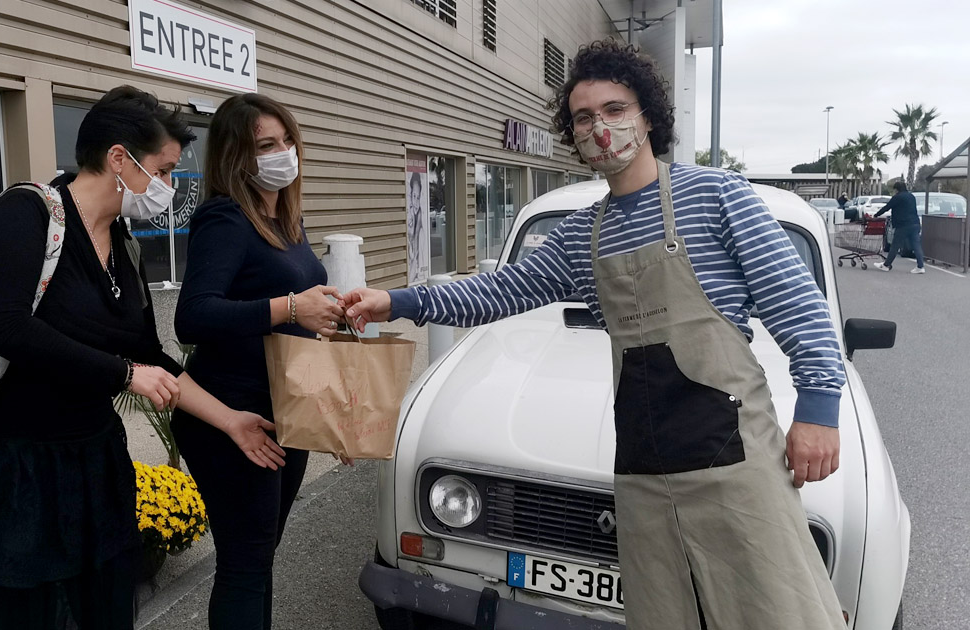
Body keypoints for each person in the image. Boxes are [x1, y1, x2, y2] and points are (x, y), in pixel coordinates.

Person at [343, 39, 847, 630]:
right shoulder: (581, 237)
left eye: (614, 109)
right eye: (584, 117)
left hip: (736, 466)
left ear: (648, 116)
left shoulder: (718, 198)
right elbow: (498, 291)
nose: (600, 127)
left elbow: (799, 305)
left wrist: (819, 407)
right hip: (641, 471)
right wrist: (395, 301)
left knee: (777, 612)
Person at [0, 85, 286, 630]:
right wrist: (123, 374)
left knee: (107, 612)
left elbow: (149, 354)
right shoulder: (25, 212)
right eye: (162, 170)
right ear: (119, 158)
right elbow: (7, 326)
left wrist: (231, 420)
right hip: (17, 471)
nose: (167, 187)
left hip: (94, 465)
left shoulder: (122, 240)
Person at [172, 92, 347, 630]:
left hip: (285, 405)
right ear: (235, 157)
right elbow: (193, 317)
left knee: (260, 555)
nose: (283, 152)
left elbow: (293, 314)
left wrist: (327, 308)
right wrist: (290, 305)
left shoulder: (284, 218)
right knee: (246, 565)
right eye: (266, 145)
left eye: (287, 139)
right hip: (232, 414)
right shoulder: (226, 217)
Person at [873, 180, 925, 274]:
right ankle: (920, 266)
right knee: (916, 245)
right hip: (915, 224)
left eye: (895, 190)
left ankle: (886, 265)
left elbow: (887, 207)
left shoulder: (897, 197)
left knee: (895, 245)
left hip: (903, 225)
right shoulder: (911, 197)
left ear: (897, 189)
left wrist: (876, 215)